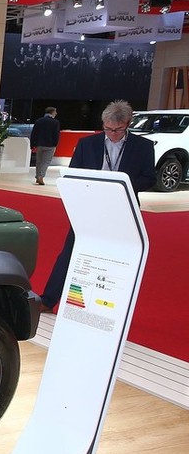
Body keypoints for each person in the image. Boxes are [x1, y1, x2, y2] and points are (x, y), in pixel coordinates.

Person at [38, 100, 156, 313]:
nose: (112, 134)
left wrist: (121, 184)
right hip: (89, 208)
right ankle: (48, 300)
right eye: (108, 129)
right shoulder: (88, 144)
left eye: (117, 130)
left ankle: (106, 306)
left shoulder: (143, 146)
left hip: (123, 210)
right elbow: (73, 174)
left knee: (116, 258)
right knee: (70, 252)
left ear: (128, 124)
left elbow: (149, 178)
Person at [29, 106, 60, 186]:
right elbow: (56, 134)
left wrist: (32, 144)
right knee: (46, 162)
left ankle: (38, 176)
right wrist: (55, 144)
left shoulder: (39, 121)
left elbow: (34, 133)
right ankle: (41, 176)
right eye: (55, 112)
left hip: (39, 144)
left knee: (39, 161)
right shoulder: (55, 122)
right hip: (50, 145)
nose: (56, 113)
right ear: (52, 112)